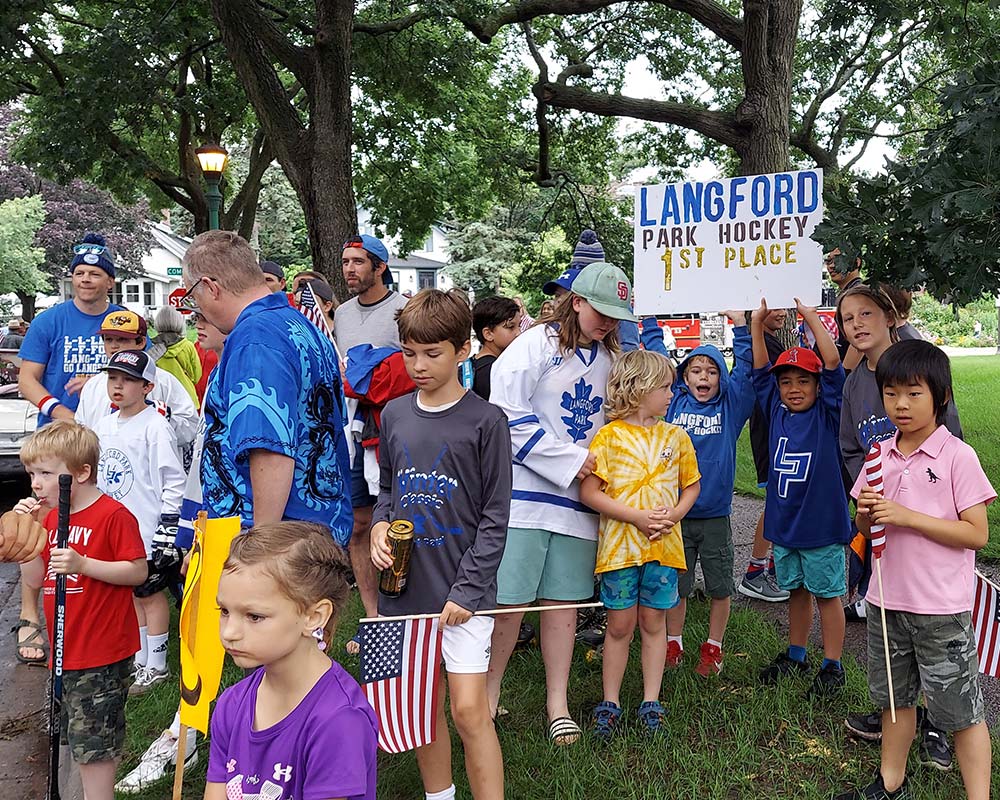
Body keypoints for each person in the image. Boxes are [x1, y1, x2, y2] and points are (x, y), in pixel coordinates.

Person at [833, 340, 995, 800]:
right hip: (886, 601)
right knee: (894, 703)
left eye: (913, 393)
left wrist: (906, 517)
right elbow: (866, 524)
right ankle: (890, 782)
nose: (900, 404)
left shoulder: (956, 457)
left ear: (940, 396)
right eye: (890, 393)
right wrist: (865, 514)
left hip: (940, 608)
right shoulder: (879, 455)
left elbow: (976, 534)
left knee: (961, 711)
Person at [486, 261, 636, 745]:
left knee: (563, 605)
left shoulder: (613, 359)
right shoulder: (536, 344)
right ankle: (485, 698)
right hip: (527, 497)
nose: (609, 322)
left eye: (617, 314)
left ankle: (558, 704)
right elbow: (504, 413)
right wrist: (571, 460)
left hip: (580, 502)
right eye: (601, 311)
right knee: (509, 604)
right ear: (577, 301)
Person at [370, 288, 510, 800]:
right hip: (402, 594)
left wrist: (468, 591)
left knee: (469, 710)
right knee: (419, 705)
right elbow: (387, 489)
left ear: (463, 350)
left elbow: (496, 518)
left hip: (463, 596)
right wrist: (381, 527)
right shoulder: (394, 415)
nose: (419, 365)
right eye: (409, 353)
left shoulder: (486, 421)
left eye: (433, 354)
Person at [836, 284, 961, 766]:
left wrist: (921, 501)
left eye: (867, 313)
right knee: (890, 622)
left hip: (926, 523)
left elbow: (950, 442)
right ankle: (897, 711)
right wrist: (867, 491)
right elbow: (850, 446)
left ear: (889, 317)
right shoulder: (854, 384)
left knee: (931, 625)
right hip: (880, 519)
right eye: (848, 320)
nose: (858, 325)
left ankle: (936, 725)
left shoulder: (920, 367)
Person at [114, 309, 227, 794]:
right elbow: (204, 458)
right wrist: (183, 530)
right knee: (199, 629)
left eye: (206, 312)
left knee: (238, 634)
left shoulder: (259, 360)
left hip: (240, 526)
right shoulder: (221, 373)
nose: (194, 322)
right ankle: (189, 725)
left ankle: (255, 738)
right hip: (207, 522)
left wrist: (173, 529)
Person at [181, 230, 351, 542]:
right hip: (316, 530)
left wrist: (259, 548)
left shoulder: (254, 339)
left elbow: (268, 448)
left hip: (271, 543)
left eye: (193, 296)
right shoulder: (301, 325)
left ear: (210, 287)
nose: (198, 308)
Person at [15, 421, 148, 800]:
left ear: (81, 473)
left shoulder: (112, 515)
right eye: (31, 474)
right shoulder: (50, 516)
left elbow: (138, 570)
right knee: (70, 733)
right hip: (64, 648)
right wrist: (25, 536)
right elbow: (38, 575)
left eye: (45, 473)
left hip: (100, 652)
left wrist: (85, 564)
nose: (36, 484)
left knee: (96, 744)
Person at [207, 522, 377, 800]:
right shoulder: (232, 704)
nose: (229, 632)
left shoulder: (337, 721)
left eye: (254, 616)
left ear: (313, 617)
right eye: (224, 611)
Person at [15, 231, 123, 664]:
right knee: (42, 526)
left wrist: (99, 378)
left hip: (106, 437)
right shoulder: (50, 321)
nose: (85, 280)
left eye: (95, 274)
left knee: (94, 525)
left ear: (109, 281)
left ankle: (90, 609)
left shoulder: (122, 319)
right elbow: (27, 379)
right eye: (79, 273)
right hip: (59, 438)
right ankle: (29, 613)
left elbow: (137, 366)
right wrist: (60, 409)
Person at [580, 350, 700, 737]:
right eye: (665, 386)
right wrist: (636, 517)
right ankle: (610, 702)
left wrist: (676, 515)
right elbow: (590, 492)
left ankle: (651, 700)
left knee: (654, 621)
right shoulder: (609, 437)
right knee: (619, 625)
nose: (672, 393)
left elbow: (691, 485)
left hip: (663, 549)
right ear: (639, 388)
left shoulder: (676, 437)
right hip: (619, 551)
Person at [751, 298, 851, 696]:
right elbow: (760, 374)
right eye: (786, 382)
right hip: (785, 526)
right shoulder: (776, 410)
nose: (794, 389)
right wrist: (756, 327)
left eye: (803, 381)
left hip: (821, 527)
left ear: (816, 386)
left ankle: (833, 664)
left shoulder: (828, 413)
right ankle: (796, 654)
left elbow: (832, 366)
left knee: (828, 595)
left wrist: (811, 316)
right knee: (795, 590)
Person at [664, 310, 755, 676]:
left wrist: (742, 327)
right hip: (677, 516)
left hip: (716, 516)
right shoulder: (673, 404)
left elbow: (746, 374)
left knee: (720, 587)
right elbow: (654, 356)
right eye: (696, 371)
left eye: (713, 371)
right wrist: (652, 319)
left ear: (721, 377)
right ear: (684, 378)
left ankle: (713, 647)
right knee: (677, 587)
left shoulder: (730, 409)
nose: (704, 377)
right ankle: (674, 642)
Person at [92, 350, 185, 694]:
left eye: (128, 380)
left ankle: (157, 664)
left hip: (146, 528)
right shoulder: (103, 425)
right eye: (113, 378)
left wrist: (167, 527)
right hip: (116, 528)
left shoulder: (155, 426)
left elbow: (173, 479)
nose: (118, 386)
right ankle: (141, 657)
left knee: (149, 593)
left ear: (147, 386)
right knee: (130, 593)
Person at [334, 234, 408, 623]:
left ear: (380, 267)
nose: (350, 269)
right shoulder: (342, 314)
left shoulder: (403, 309)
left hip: (391, 431)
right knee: (359, 524)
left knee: (396, 521)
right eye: (346, 262)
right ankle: (374, 616)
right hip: (350, 432)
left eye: (358, 262)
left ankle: (402, 608)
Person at [75, 309, 198, 450]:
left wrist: (166, 419)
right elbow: (81, 429)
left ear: (141, 342)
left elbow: (191, 427)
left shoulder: (164, 381)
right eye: (108, 339)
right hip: (105, 465)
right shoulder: (93, 385)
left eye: (122, 339)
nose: (114, 346)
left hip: (150, 465)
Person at [738, 307, 791, 603]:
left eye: (785, 306)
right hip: (771, 432)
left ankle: (772, 567)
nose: (782, 312)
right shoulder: (763, 341)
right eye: (775, 307)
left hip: (775, 431)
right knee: (775, 502)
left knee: (780, 501)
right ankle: (755, 573)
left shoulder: (771, 339)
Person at [470, 295, 521, 400]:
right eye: (511, 327)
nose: (518, 333)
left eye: (519, 325)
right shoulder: (497, 371)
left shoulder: (471, 365)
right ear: (488, 334)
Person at [150, 306, 201, 408]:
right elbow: (196, 376)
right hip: (187, 399)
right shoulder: (188, 346)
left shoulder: (152, 349)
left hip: (161, 400)